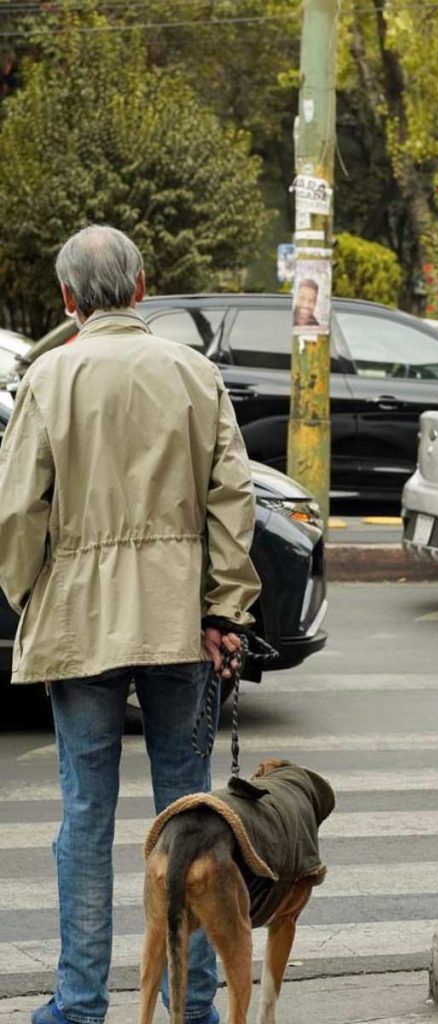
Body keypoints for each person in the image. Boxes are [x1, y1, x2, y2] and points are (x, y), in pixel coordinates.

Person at [0, 225, 261, 1024]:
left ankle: (79, 1003)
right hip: (178, 619)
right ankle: (194, 1006)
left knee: (85, 813)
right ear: (142, 288)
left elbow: (17, 511)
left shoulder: (49, 377)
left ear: (69, 299)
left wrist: (30, 596)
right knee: (191, 820)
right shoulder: (192, 372)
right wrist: (226, 609)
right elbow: (232, 502)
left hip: (81, 624)